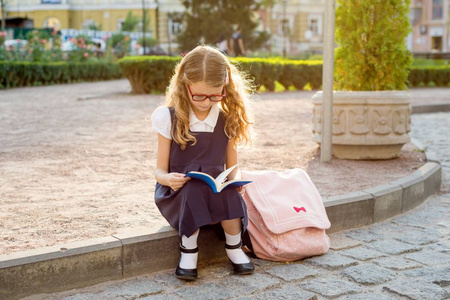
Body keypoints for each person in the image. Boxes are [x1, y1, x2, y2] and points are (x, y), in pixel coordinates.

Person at [151, 45, 254, 281]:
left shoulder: (228, 119)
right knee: (195, 189)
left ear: (225, 87)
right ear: (184, 85)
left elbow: (232, 169)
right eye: (199, 95)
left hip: (215, 193)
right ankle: (189, 251)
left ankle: (234, 248)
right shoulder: (168, 117)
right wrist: (168, 179)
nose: (206, 102)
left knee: (230, 193)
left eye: (215, 95)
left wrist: (236, 183)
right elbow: (159, 171)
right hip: (177, 193)